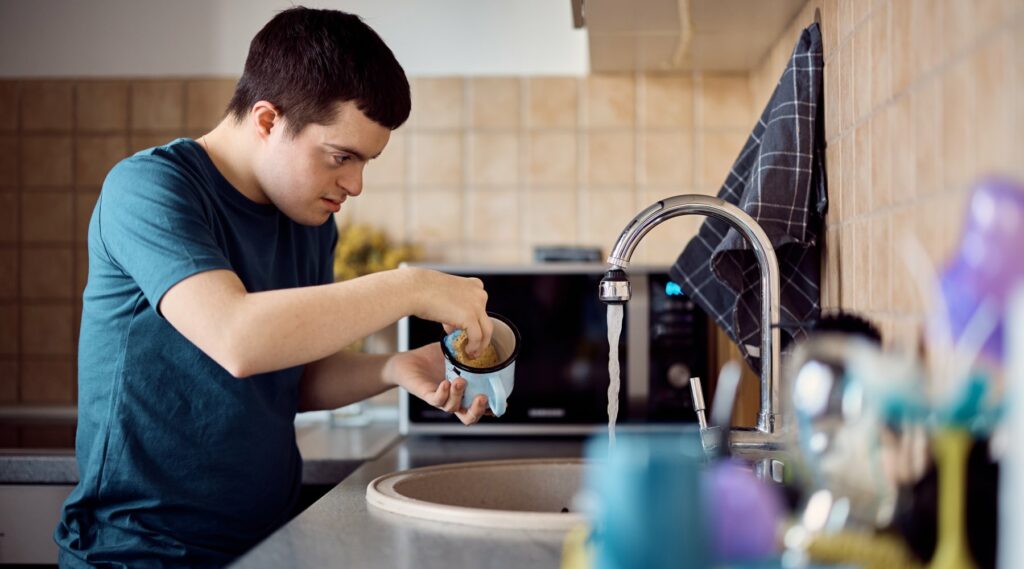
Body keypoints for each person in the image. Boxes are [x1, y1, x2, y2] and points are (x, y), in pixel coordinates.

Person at [55, 7, 493, 568]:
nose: (355, 184)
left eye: (368, 162)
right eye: (342, 157)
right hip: (138, 553)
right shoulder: (149, 188)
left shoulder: (310, 220)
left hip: (268, 547)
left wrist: (392, 369)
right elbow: (238, 340)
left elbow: (290, 374)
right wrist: (412, 287)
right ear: (266, 120)